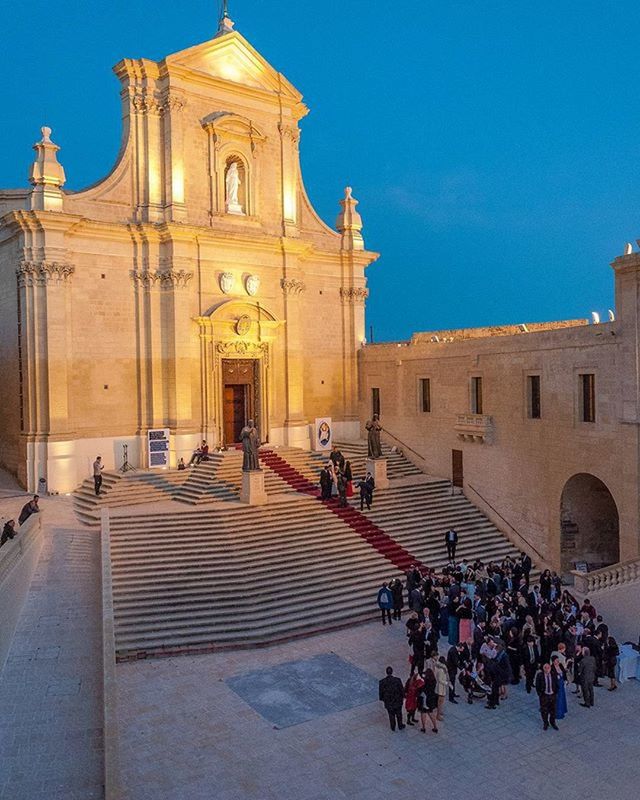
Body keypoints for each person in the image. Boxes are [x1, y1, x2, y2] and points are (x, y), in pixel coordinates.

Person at [378, 666, 405, 731]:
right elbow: (401, 690)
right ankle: (400, 725)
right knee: (399, 714)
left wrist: (382, 699)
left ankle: (393, 727)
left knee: (391, 714)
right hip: (397, 701)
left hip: (388, 702)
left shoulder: (382, 682)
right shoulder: (397, 680)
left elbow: (381, 692)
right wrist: (402, 697)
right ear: (392, 672)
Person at [535, 662, 559, 730]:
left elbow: (556, 683)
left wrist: (556, 692)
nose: (547, 669)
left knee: (553, 711)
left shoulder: (553, 674)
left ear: (550, 668)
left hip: (552, 695)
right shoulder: (540, 675)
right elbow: (537, 685)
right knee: (544, 711)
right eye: (545, 668)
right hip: (544, 696)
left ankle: (553, 723)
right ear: (543, 669)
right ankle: (545, 723)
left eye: (548, 668)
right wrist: (540, 694)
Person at [417, 668, 439, 733]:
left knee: (423, 712)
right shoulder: (434, 680)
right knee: (431, 713)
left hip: (425, 699)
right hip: (431, 698)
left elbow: (422, 688)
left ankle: (423, 728)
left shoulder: (425, 681)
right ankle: (435, 727)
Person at [551, 655, 568, 720]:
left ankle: (562, 711)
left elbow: (564, 673)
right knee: (557, 700)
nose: (558, 661)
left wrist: (565, 680)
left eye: (558, 660)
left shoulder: (560, 665)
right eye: (556, 660)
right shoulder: (552, 668)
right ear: (553, 662)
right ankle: (557, 713)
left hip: (562, 686)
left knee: (562, 698)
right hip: (556, 686)